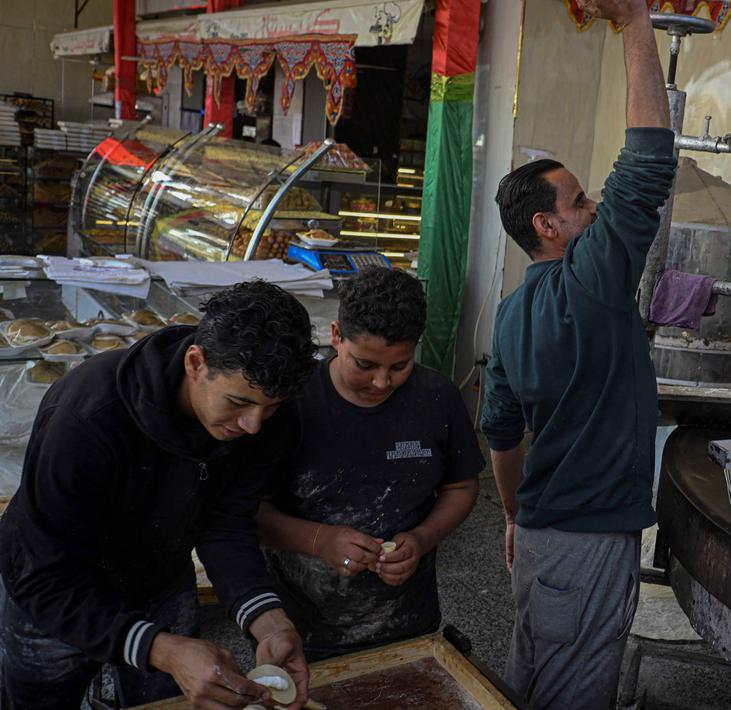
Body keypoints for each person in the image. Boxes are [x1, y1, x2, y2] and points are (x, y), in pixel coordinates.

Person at [479, 0, 675, 706]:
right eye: (581, 201)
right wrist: (632, 24)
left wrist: (509, 513)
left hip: (537, 536)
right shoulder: (590, 283)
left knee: (530, 677)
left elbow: (500, 431)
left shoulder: (509, 315)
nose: (594, 208)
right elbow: (648, 161)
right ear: (548, 225)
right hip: (587, 543)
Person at [0, 280, 318, 709]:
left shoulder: (266, 415)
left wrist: (268, 620)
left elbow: (227, 522)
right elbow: (40, 573)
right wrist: (162, 648)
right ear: (195, 361)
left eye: (271, 407)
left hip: (159, 579)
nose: (253, 426)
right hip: (58, 590)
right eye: (238, 403)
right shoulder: (88, 416)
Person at [256, 267, 482, 661]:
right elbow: (248, 512)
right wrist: (317, 540)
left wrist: (423, 538)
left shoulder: (437, 398)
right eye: (364, 364)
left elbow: (460, 487)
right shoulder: (291, 402)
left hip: (407, 622)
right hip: (301, 628)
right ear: (336, 336)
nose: (381, 383)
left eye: (399, 366)